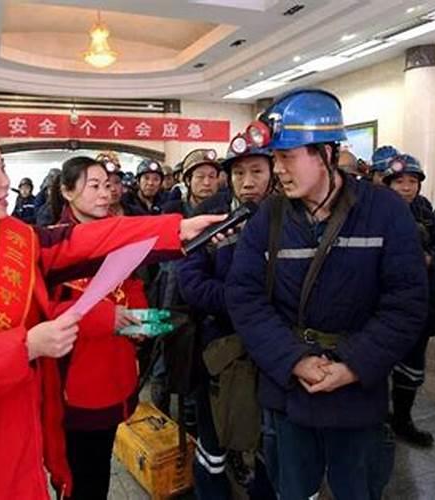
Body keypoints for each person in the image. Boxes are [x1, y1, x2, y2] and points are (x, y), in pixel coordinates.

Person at [0, 121, 223, 500]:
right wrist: (27, 346)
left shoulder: (10, 238)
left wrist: (176, 230)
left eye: (3, 166)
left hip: (23, 424)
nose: (6, 181)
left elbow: (82, 241)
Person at [226, 89, 428, 500]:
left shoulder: (385, 211)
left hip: (357, 389)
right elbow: (244, 297)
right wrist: (294, 360)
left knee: (358, 488)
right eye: (276, 158)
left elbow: (405, 303)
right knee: (292, 489)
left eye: (288, 156)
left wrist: (355, 364)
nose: (278, 170)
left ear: (327, 153)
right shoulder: (270, 216)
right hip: (289, 388)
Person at [178, 132, 277, 500]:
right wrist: (242, 302)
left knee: (271, 437)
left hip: (274, 349)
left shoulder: (290, 217)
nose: (247, 182)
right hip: (221, 348)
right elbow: (191, 282)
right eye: (238, 173)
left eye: (256, 171)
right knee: (213, 436)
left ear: (273, 171)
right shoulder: (211, 216)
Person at [43, 156, 148, 499]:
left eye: (108, 185)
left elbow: (133, 285)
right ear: (67, 192)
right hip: (76, 379)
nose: (105, 194)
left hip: (115, 366)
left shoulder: (118, 232)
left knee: (99, 463)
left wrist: (141, 320)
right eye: (94, 186)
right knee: (77, 472)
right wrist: (106, 318)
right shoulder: (52, 245)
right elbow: (43, 311)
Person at [382, 154, 435, 447]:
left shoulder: (425, 210)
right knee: (378, 363)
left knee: (412, 367)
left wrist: (430, 256)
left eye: (413, 182)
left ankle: (402, 419)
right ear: (387, 183)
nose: (407, 187)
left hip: (421, 302)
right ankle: (375, 421)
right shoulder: (373, 212)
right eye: (400, 181)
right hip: (385, 305)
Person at [163, 149, 221, 216]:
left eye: (212, 176)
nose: (207, 183)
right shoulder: (172, 212)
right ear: (188, 180)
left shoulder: (227, 210)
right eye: (200, 176)